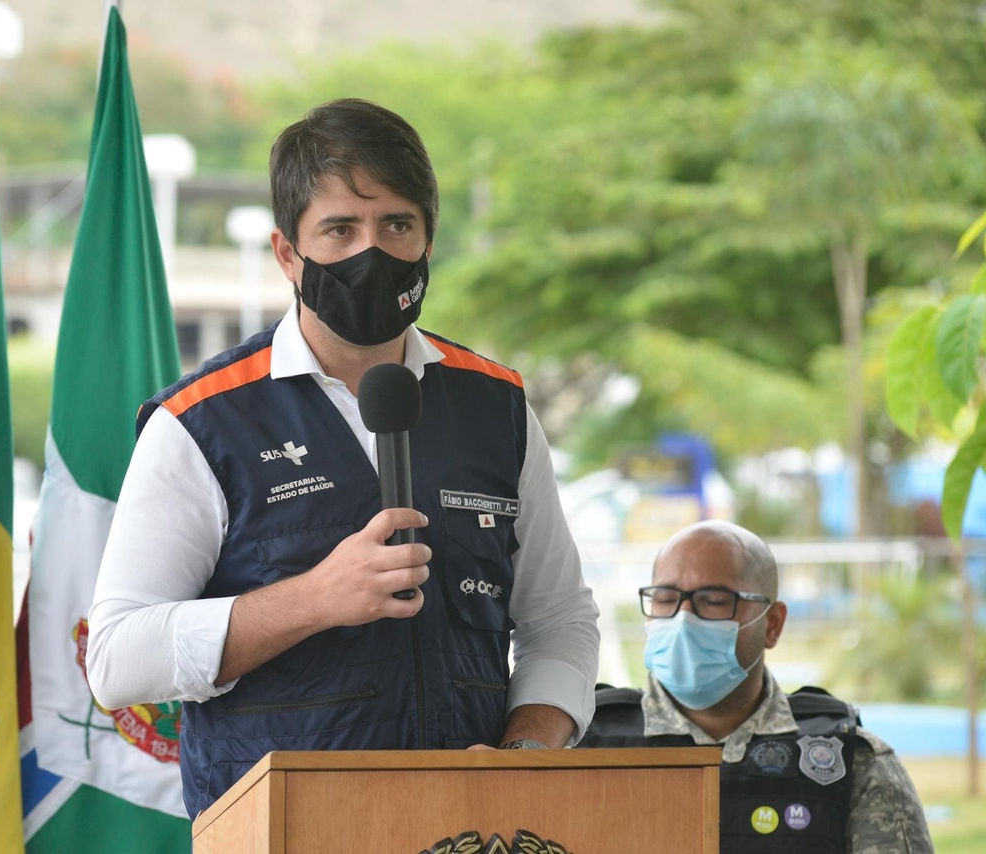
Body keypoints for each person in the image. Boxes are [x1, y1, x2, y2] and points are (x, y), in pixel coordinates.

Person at [85, 97, 600, 818]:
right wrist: (314, 598)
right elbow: (115, 658)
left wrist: (527, 754)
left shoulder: (496, 406)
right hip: (283, 829)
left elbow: (560, 621)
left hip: (471, 828)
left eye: (397, 224)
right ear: (286, 253)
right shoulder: (200, 423)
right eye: (339, 229)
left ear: (427, 239)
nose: (372, 252)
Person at [578, 520, 933, 853]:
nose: (683, 619)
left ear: (773, 625)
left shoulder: (851, 761)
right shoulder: (578, 745)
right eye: (666, 599)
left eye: (714, 600)